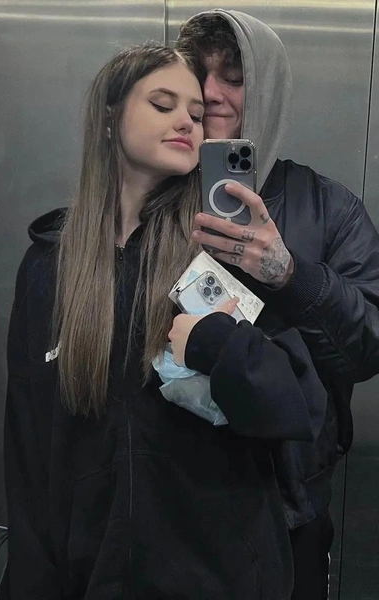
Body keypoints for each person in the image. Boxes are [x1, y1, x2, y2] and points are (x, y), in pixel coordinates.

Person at [4, 42, 327, 599]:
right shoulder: (48, 267)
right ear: (110, 118)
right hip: (90, 573)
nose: (186, 122)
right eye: (162, 104)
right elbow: (30, 445)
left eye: (196, 115)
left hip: (220, 573)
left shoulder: (224, 249)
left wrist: (220, 344)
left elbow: (296, 409)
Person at [175, 9, 379, 600]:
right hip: (169, 491)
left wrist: (292, 275)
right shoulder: (154, 195)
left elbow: (369, 346)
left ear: (267, 92)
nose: (210, 93)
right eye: (198, 74)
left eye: (234, 77)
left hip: (287, 497)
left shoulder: (328, 207)